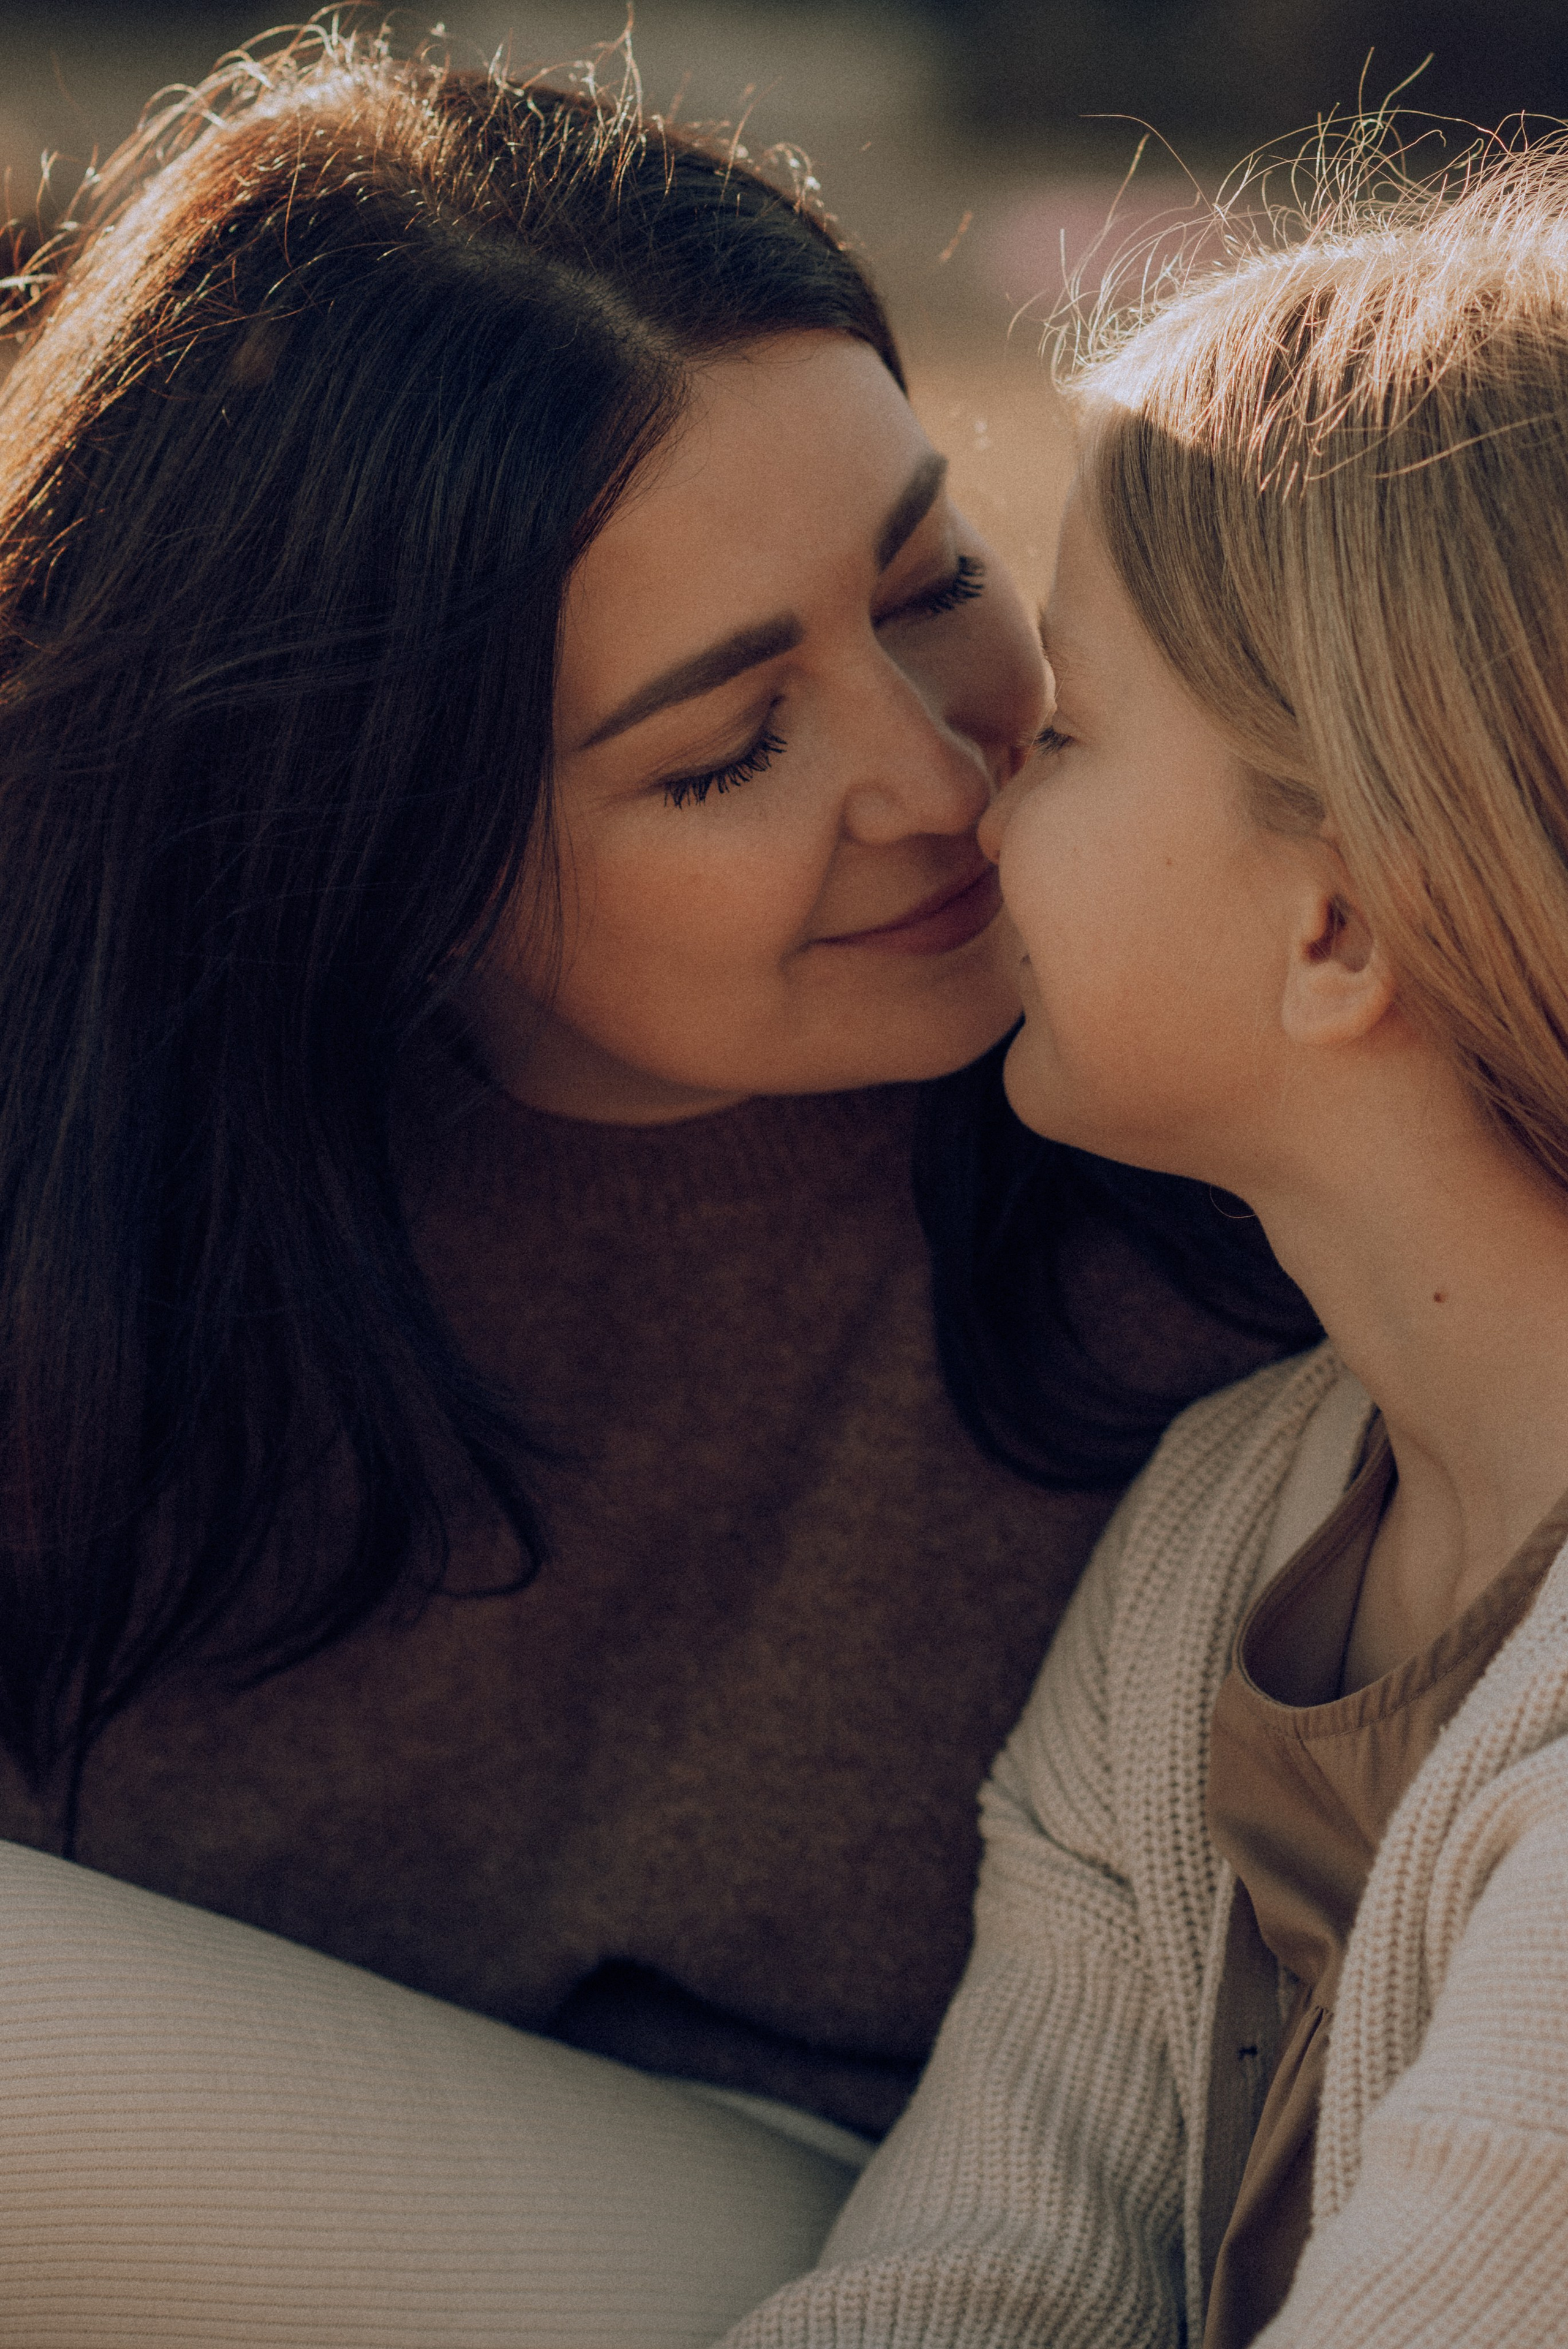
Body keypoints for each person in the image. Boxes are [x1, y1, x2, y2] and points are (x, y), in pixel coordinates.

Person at [0, 23, 1313, 2343]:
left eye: (930, 586)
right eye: (727, 746)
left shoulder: (1193, 1140)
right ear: (368, 853)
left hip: (894, 2244)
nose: (941, 780)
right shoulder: (104, 1181)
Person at [723, 131, 1568, 2349]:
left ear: (1341, 921)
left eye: (1072, 730)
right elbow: (968, 2277)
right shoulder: (1228, 1522)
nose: (981, 791)